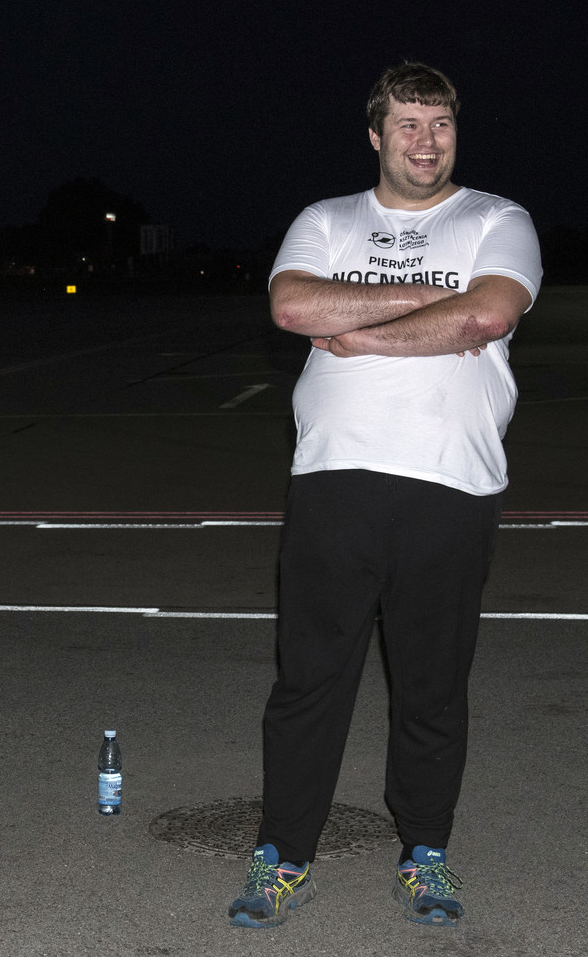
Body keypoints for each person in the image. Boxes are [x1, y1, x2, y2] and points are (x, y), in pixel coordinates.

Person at [226, 63, 542, 928]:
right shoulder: (326, 220)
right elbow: (294, 308)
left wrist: (362, 333)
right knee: (309, 680)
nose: (425, 141)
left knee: (432, 685)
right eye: (408, 124)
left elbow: (488, 316)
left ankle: (425, 854)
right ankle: (284, 856)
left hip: (452, 480)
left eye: (440, 124)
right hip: (335, 478)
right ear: (375, 135)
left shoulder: (497, 219)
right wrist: (435, 295)